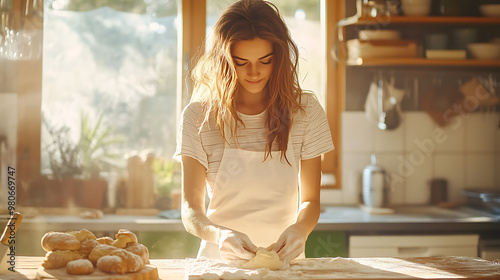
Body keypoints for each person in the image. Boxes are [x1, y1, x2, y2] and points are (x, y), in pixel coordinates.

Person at [174, 0, 334, 263]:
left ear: (279, 58)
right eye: (241, 62)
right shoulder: (198, 118)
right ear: (224, 62)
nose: (254, 72)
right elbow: (191, 210)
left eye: (265, 60)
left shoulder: (305, 111)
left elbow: (311, 200)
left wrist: (299, 230)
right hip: (218, 263)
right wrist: (219, 234)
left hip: (285, 264)